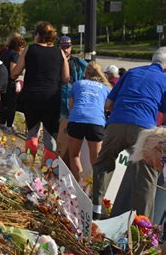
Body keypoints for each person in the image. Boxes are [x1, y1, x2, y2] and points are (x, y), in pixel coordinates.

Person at [92, 47, 166, 220]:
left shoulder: (132, 72)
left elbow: (108, 104)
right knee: (146, 175)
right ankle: (142, 226)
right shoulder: (163, 79)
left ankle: (97, 209)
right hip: (143, 129)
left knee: (103, 163)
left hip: (116, 123)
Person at [11, 21, 69, 165]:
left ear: (37, 35)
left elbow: (15, 73)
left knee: (32, 133)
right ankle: (48, 171)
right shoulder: (59, 52)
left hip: (32, 97)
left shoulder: (30, 50)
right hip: (51, 98)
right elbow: (66, 78)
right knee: (50, 136)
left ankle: (29, 166)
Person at [67, 62, 111, 182]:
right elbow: (108, 106)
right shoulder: (106, 88)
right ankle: (95, 190)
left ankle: (79, 186)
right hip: (96, 122)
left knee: (74, 155)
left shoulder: (77, 84)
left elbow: (71, 107)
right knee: (95, 160)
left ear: (85, 74)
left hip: (77, 118)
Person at [56, 35, 88, 166]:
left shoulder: (78, 63)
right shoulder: (54, 61)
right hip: (58, 105)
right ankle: (54, 166)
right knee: (57, 140)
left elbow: (90, 75)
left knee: (72, 143)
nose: (65, 50)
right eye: (62, 47)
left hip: (73, 106)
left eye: (67, 47)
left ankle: (67, 167)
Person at [0, 35, 26, 133]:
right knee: (11, 105)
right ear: (19, 46)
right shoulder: (15, 55)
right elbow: (13, 71)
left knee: (3, 103)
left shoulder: (4, 52)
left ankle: (1, 123)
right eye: (22, 47)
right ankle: (9, 126)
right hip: (10, 82)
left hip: (1, 80)